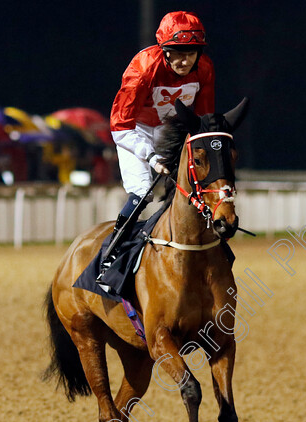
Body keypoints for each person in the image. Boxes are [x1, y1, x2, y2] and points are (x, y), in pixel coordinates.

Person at [98, 10, 215, 280]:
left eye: (192, 51)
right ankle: (110, 255)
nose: (185, 60)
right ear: (164, 50)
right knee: (142, 194)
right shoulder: (143, 68)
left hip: (170, 128)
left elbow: (202, 122)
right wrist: (152, 158)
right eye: (177, 51)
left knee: (197, 187)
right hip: (134, 130)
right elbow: (120, 127)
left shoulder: (205, 68)